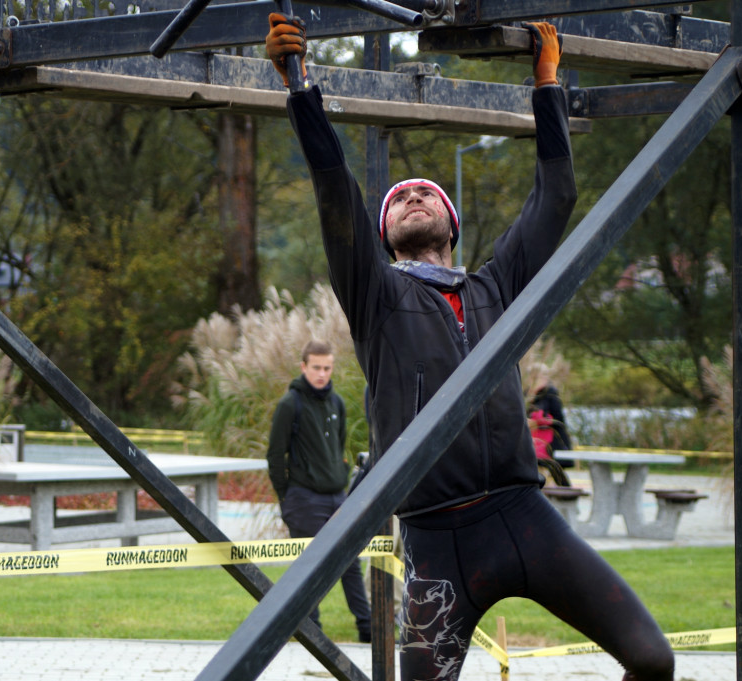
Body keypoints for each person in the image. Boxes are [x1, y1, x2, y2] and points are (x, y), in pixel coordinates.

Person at [265, 16, 674, 681]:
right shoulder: (377, 296)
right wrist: (298, 85)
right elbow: (335, 188)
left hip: (524, 516)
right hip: (434, 541)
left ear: (451, 226)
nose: (415, 194)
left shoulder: (497, 287)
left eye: (427, 192)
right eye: (399, 199)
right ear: (387, 235)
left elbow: (556, 194)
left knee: (653, 660)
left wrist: (546, 82)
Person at [266, 339, 372, 643]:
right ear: (304, 367)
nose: (322, 374)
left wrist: (341, 481)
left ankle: (367, 628)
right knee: (309, 568)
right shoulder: (291, 404)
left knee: (351, 562)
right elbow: (275, 456)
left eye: (327, 368)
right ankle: (311, 632)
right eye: (316, 368)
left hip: (338, 497)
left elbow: (339, 448)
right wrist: (287, 499)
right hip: (304, 499)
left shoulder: (337, 402)